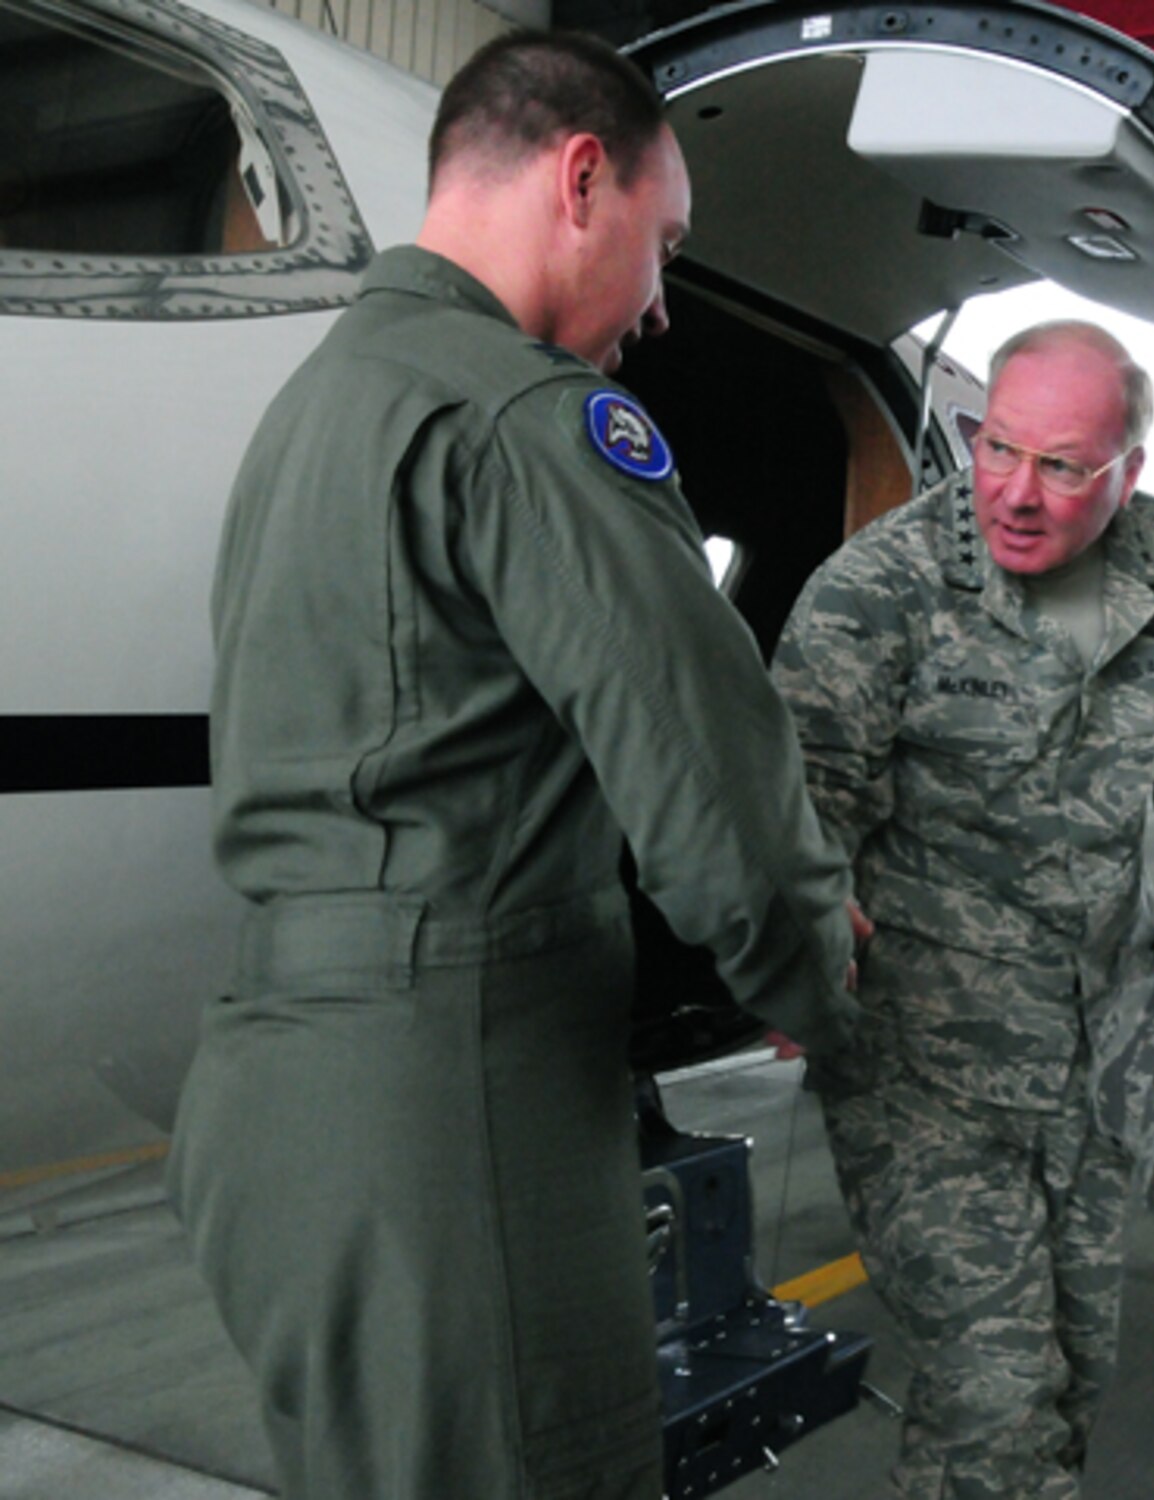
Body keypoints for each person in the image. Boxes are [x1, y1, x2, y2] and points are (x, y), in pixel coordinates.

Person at [166, 33, 861, 1500]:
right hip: (456, 1109)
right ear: (582, 177)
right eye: (666, 245)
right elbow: (716, 798)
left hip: (275, 1105)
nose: (664, 304)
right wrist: (824, 983)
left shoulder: (317, 411)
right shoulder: (532, 417)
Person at [770, 320, 1154, 1498]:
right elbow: (796, 795)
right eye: (997, 449)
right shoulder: (882, 589)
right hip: (920, 1067)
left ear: (1126, 474)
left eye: (1061, 466)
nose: (1017, 494)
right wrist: (793, 932)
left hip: (1096, 1060)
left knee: (1064, 1383)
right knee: (993, 1392)